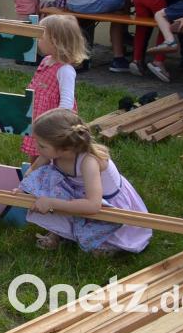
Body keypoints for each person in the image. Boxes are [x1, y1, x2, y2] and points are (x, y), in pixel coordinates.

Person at [15, 109, 152, 255]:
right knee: (44, 176)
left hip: (105, 204)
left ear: (65, 148)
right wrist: (22, 190)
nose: (37, 148)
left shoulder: (89, 162)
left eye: (42, 145)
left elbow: (94, 206)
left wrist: (51, 203)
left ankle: (109, 244)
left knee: (99, 238)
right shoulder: (52, 152)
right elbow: (34, 172)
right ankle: (62, 232)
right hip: (78, 193)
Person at [20, 15, 86, 162]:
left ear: (55, 41)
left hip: (52, 125)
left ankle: (42, 179)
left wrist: (56, 126)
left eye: (41, 36)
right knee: (37, 152)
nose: (38, 39)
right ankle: (34, 178)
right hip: (39, 118)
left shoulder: (65, 70)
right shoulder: (45, 61)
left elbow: (67, 104)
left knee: (50, 157)